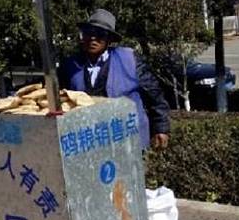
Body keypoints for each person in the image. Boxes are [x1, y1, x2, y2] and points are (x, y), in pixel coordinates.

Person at [59, 8, 170, 150]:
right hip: (90, 141)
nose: (93, 38)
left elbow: (155, 94)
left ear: (109, 39)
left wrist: (161, 128)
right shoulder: (70, 65)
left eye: (100, 34)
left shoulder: (129, 59)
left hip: (128, 138)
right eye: (88, 33)